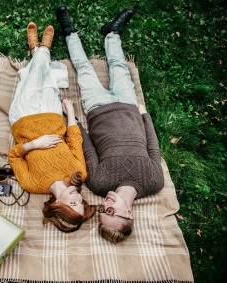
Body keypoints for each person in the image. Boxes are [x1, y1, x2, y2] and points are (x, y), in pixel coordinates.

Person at [56, 6, 165, 242]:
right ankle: (112, 33)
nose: (105, 205)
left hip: (97, 109)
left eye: (102, 211)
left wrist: (72, 118)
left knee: (83, 68)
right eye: (111, 211)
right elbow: (153, 148)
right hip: (129, 106)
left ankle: (70, 33)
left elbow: (88, 148)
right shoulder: (154, 182)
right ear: (129, 212)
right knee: (118, 66)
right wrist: (145, 115)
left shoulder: (99, 183)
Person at [8, 22, 96, 232]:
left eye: (74, 204)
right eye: (81, 203)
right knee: (46, 81)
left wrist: (34, 145)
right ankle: (38, 52)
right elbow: (75, 141)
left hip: (23, 118)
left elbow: (13, 156)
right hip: (53, 116)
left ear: (57, 205)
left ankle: (41, 50)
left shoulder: (32, 185)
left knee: (37, 75)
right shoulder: (79, 175)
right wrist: (71, 113)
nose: (79, 199)